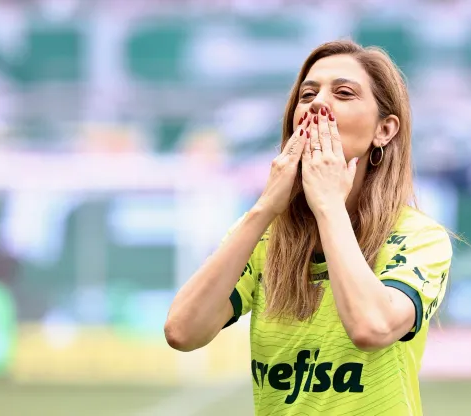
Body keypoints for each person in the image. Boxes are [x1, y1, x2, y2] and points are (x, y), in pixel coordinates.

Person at [164, 40, 453, 416]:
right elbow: (183, 332)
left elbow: (371, 327)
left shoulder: (418, 237)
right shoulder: (266, 233)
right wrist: (264, 207)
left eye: (344, 93)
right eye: (308, 94)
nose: (318, 104)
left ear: (384, 130)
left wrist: (329, 205)